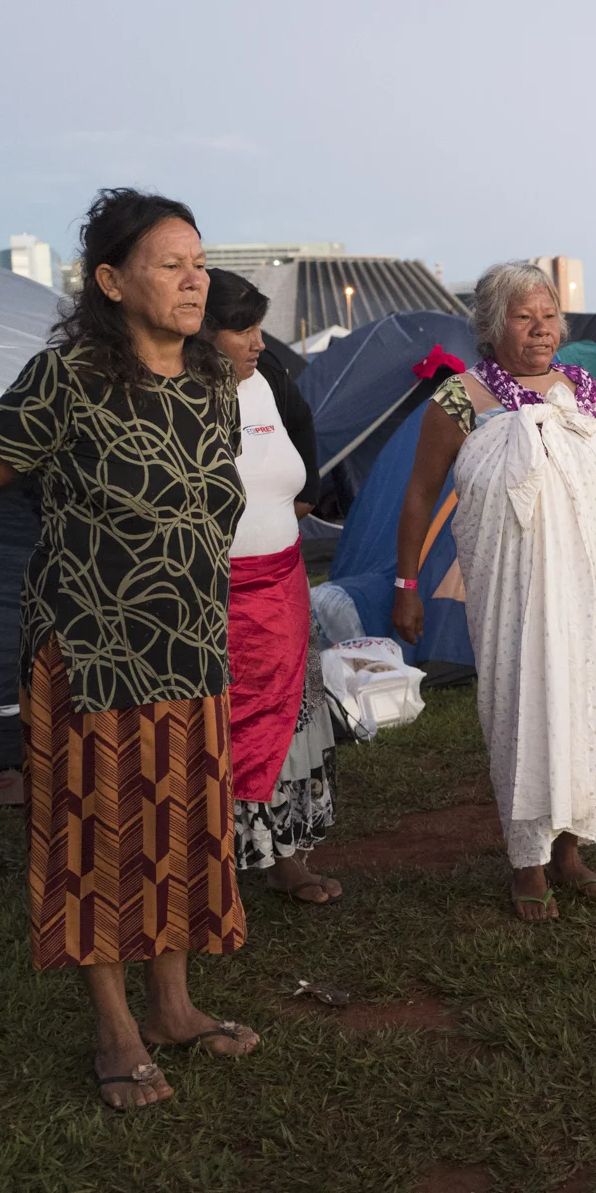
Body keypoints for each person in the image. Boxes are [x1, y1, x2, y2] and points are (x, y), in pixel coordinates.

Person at [0, 188, 254, 1110]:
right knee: (99, 841)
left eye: (200, 262)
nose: (195, 279)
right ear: (113, 282)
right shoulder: (68, 377)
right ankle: (116, 1029)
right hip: (93, 652)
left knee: (183, 832)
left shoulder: (212, 382)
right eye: (171, 264)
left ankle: (174, 1007)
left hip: (193, 649)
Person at [394, 261, 596, 920]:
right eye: (524, 317)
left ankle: (572, 850)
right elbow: (418, 493)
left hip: (579, 583)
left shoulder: (579, 388)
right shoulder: (460, 398)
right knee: (519, 703)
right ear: (493, 327)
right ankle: (527, 860)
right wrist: (406, 583)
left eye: (549, 315)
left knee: (581, 700)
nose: (541, 328)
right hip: (511, 592)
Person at [202, 269, 341, 905]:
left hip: (282, 589)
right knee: (221, 731)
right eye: (242, 329)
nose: (258, 342)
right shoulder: (172, 398)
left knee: (292, 722)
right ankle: (213, 873)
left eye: (260, 327)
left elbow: (305, 473)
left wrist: (282, 519)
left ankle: (290, 859)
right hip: (214, 601)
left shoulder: (270, 382)